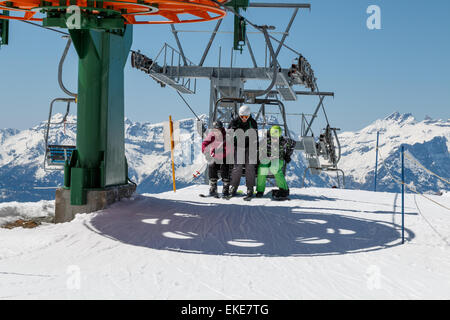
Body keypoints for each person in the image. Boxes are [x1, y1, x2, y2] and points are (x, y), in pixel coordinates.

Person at [256, 125, 296, 200]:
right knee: (262, 168)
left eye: (277, 137)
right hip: (267, 157)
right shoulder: (266, 140)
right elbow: (258, 148)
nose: (275, 139)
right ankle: (260, 190)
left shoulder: (284, 141)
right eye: (273, 137)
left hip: (278, 158)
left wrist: (287, 155)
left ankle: (284, 189)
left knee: (275, 168)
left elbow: (293, 143)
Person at [228, 105, 259, 199]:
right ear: (239, 115)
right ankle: (234, 186)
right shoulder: (235, 122)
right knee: (238, 166)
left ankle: (250, 188)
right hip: (238, 146)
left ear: (249, 116)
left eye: (246, 117)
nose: (244, 119)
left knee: (250, 166)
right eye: (242, 117)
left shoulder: (252, 122)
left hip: (250, 146)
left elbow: (255, 135)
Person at [202, 121, 231, 197]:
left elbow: (228, 148)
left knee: (225, 166)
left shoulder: (226, 136)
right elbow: (205, 143)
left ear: (221, 129)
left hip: (225, 156)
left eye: (219, 129)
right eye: (215, 130)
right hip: (215, 157)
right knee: (212, 165)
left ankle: (226, 186)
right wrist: (206, 153)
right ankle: (213, 186)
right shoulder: (212, 135)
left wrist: (220, 152)